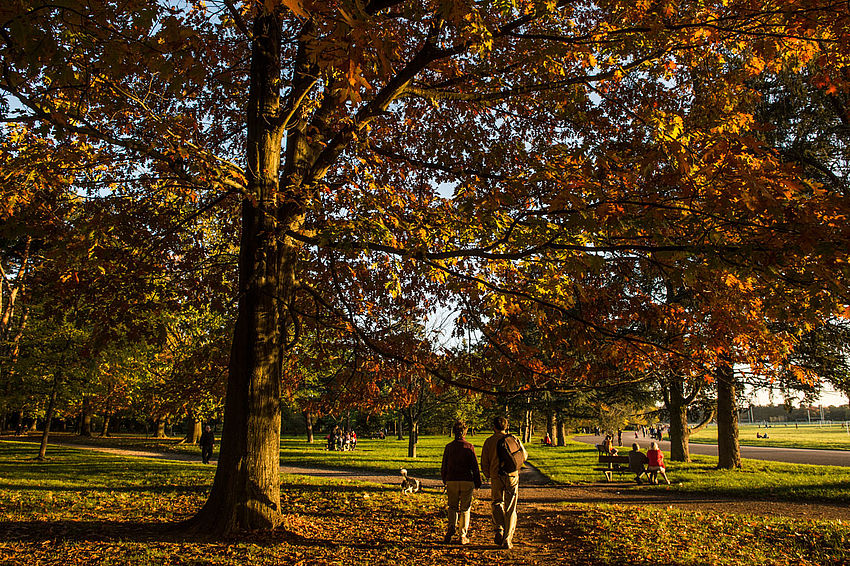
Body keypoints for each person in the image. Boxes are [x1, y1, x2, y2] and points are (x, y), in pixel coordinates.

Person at [481, 416, 527, 549]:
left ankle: (499, 528)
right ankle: (508, 538)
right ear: (506, 426)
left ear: (494, 426)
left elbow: (484, 461)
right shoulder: (513, 439)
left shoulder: (489, 442)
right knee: (511, 506)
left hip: (496, 476)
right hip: (512, 475)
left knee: (496, 503)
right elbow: (524, 455)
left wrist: (488, 474)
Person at [440, 421, 482, 545]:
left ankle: (451, 526)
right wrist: (477, 481)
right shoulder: (469, 447)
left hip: (452, 479)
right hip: (466, 480)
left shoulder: (449, 447)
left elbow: (444, 465)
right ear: (465, 432)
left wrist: (445, 479)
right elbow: (474, 466)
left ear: (453, 432)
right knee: (465, 508)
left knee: (452, 506)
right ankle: (462, 535)